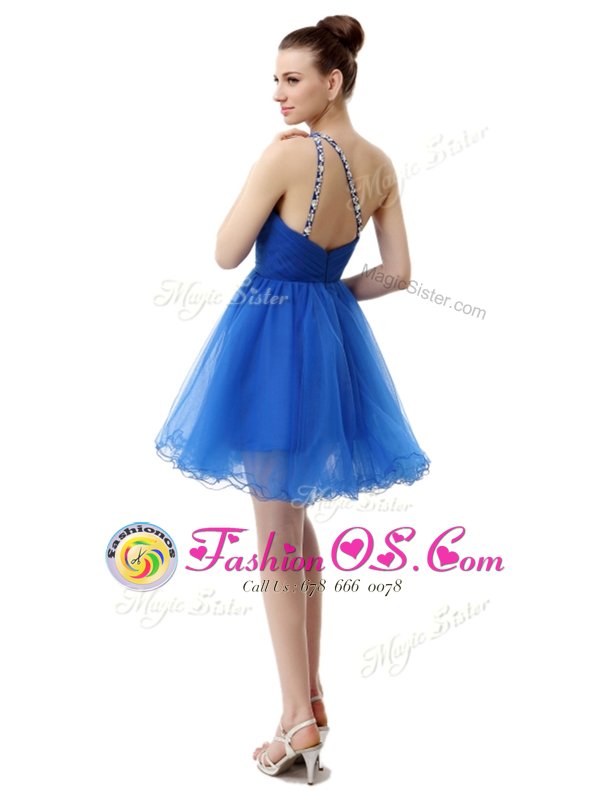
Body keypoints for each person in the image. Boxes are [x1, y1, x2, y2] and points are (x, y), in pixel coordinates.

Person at [155, 14, 430, 784]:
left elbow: (225, 252)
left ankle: (297, 718)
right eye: (275, 79)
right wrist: (330, 297)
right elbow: (398, 273)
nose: (277, 93)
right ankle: (307, 698)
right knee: (294, 519)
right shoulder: (379, 164)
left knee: (275, 531)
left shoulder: (286, 155)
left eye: (292, 78)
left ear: (332, 82)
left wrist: (261, 169)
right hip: (329, 343)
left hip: (269, 341)